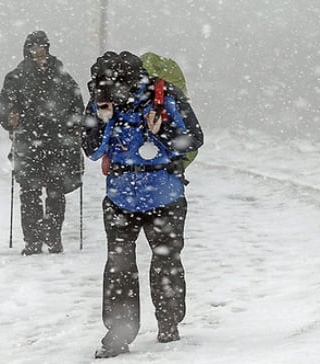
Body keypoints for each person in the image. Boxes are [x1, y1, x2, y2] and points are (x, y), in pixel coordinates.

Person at [82, 51, 204, 358]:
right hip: (121, 198)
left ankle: (168, 321)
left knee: (166, 261)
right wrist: (104, 120)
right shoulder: (102, 99)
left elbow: (193, 139)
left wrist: (159, 130)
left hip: (165, 196)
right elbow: (92, 150)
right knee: (119, 266)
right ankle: (119, 333)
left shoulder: (165, 97)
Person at [0, 30, 84, 256]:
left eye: (42, 48)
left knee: (56, 192)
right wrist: (9, 118)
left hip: (57, 143)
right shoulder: (16, 77)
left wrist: (76, 125)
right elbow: (3, 104)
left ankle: (53, 238)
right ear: (27, 51)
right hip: (28, 144)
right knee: (30, 192)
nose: (39, 53)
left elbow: (76, 103)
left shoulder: (61, 75)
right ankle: (33, 240)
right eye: (34, 48)